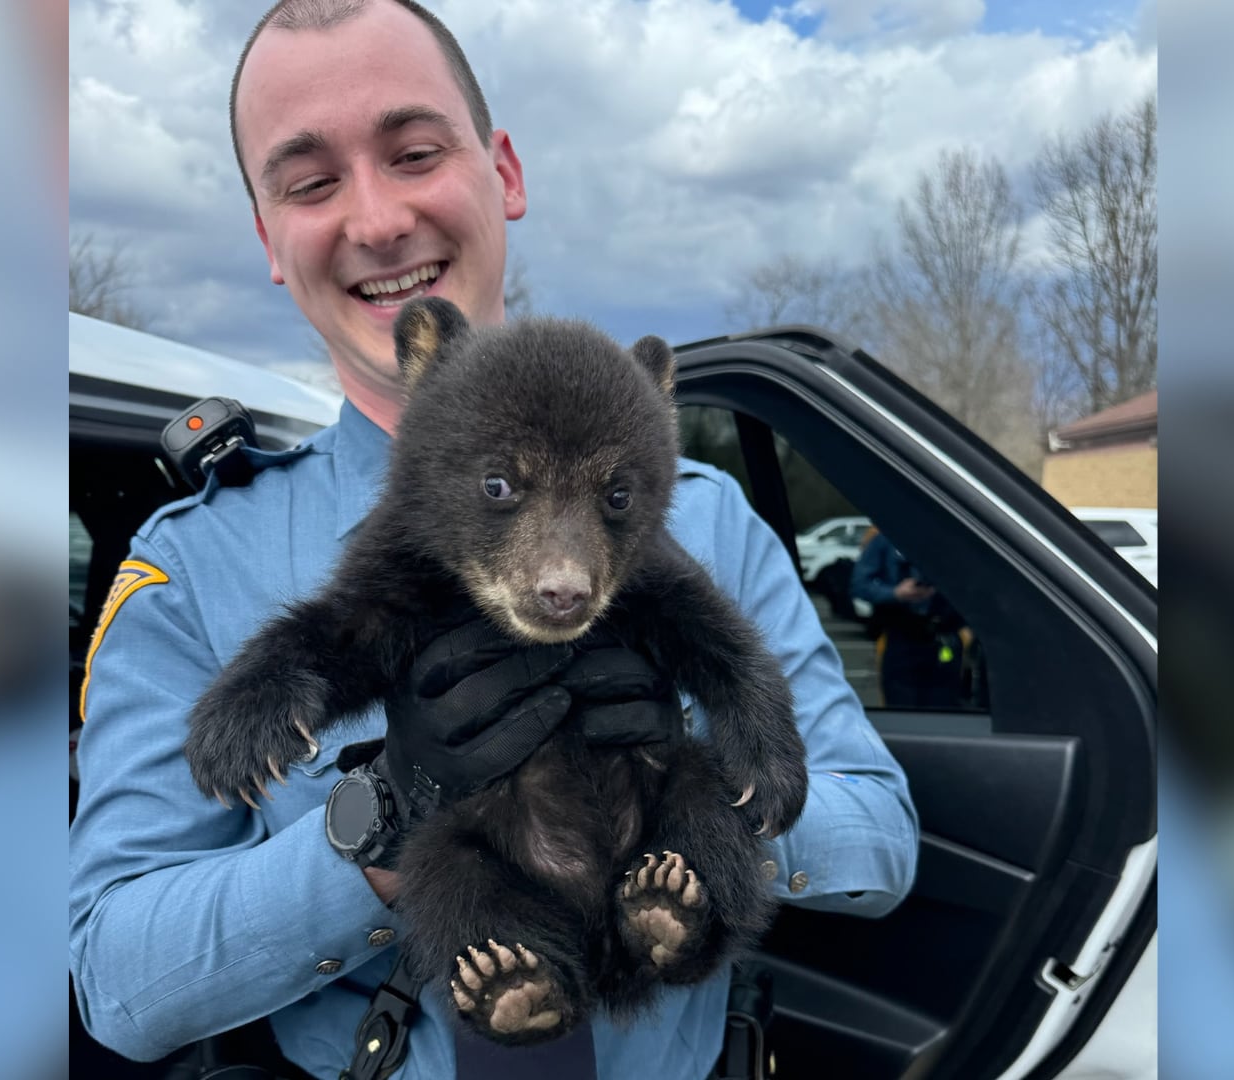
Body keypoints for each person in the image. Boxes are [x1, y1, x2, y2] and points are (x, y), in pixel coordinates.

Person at [68, 2, 920, 1077]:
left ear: (504, 172)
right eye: (312, 182)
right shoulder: (196, 564)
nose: (378, 220)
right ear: (268, 238)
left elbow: (879, 836)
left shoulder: (701, 520)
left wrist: (704, 786)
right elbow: (116, 983)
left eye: (415, 153)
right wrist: (379, 827)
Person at [850, 531, 969, 710]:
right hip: (902, 638)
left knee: (945, 711)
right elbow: (859, 584)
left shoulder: (956, 538)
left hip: (944, 637)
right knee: (901, 710)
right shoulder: (886, 540)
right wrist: (895, 593)